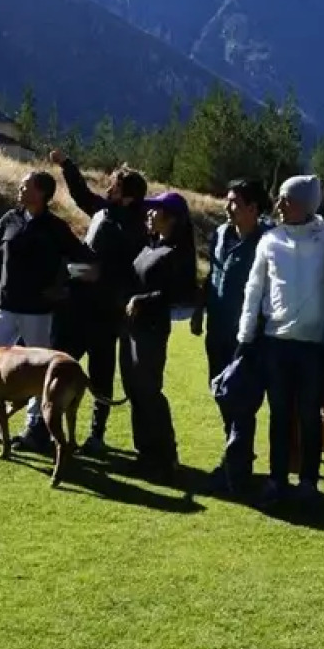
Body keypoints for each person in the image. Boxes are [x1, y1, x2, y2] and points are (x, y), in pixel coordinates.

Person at [0, 171, 93, 446]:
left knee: (39, 371)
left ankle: (33, 427)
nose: (20, 188)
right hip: (5, 306)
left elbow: (82, 259)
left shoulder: (55, 227)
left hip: (38, 312)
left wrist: (63, 286)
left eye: (25, 185)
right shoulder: (10, 219)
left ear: (41, 193)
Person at [237, 174, 324, 509]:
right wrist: (245, 335)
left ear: (305, 204)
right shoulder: (270, 240)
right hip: (276, 341)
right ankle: (277, 479)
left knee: (309, 414)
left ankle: (308, 482)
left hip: (314, 345)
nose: (278, 205)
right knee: (279, 414)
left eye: (286, 199)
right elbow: (254, 289)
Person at [47, 149, 149, 455]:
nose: (109, 188)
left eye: (115, 185)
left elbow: (132, 272)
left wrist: (101, 274)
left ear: (128, 196)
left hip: (106, 313)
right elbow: (80, 194)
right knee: (58, 366)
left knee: (101, 375)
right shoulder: (104, 211)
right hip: (77, 305)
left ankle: (96, 435)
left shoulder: (137, 229)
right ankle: (46, 428)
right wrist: (67, 165)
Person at [191, 178, 273, 495]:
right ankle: (236, 456)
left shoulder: (267, 241)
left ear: (253, 208)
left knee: (242, 398)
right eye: (228, 200)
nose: (228, 206)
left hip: (248, 337)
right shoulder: (221, 234)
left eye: (235, 202)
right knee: (223, 393)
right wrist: (199, 310)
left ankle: (236, 469)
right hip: (217, 329)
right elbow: (212, 276)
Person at [123, 190, 199, 480]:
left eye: (156, 211)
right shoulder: (150, 246)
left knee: (149, 390)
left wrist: (143, 300)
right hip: (131, 326)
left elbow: (180, 293)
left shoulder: (178, 252)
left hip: (152, 329)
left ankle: (166, 456)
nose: (149, 214)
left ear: (172, 218)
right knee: (134, 390)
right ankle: (145, 453)